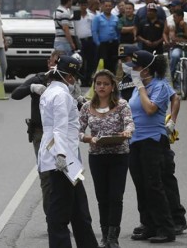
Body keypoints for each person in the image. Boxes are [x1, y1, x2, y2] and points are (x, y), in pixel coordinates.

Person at [37, 56, 99, 248]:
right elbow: (60, 128)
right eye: (75, 78)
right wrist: (62, 155)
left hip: (62, 155)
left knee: (79, 208)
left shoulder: (51, 91)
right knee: (60, 210)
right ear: (70, 78)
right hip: (63, 158)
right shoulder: (61, 95)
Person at [126, 50, 183, 243]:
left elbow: (150, 109)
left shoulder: (160, 86)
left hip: (153, 140)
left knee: (154, 184)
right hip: (135, 140)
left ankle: (166, 228)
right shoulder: (137, 87)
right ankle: (148, 224)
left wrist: (141, 88)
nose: (133, 70)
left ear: (147, 69)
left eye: (137, 67)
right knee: (140, 184)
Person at [79, 69, 134, 248]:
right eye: (99, 83)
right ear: (94, 85)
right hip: (97, 156)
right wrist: (88, 138)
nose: (101, 87)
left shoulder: (122, 104)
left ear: (112, 87)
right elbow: (76, 130)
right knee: (102, 197)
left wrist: (127, 132)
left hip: (119, 155)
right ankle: (104, 236)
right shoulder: (87, 107)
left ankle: (113, 237)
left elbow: (129, 123)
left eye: (106, 84)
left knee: (116, 196)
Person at [11, 50, 65, 216]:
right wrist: (31, 88)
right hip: (41, 135)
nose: (54, 66)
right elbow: (15, 94)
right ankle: (52, 219)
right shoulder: (39, 79)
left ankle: (66, 216)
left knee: (69, 177)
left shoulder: (67, 83)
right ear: (48, 63)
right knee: (46, 176)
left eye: (58, 63)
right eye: (53, 62)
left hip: (63, 136)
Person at [165, 9, 187, 91]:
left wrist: (185, 28)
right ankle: (172, 76)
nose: (173, 19)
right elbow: (173, 39)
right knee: (174, 56)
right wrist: (185, 40)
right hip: (177, 47)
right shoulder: (172, 25)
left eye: (175, 17)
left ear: (181, 17)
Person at [92, 0, 120, 74]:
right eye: (106, 6)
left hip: (114, 44)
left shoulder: (116, 18)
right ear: (103, 6)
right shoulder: (97, 18)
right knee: (104, 63)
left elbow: (118, 30)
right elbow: (94, 31)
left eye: (109, 6)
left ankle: (112, 80)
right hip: (103, 44)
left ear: (112, 7)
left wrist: (117, 40)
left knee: (113, 63)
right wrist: (98, 43)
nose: (108, 7)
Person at [74, 0, 97, 86]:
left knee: (91, 61)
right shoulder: (75, 15)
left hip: (90, 40)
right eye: (81, 5)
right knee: (81, 61)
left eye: (85, 5)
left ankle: (88, 79)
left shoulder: (91, 16)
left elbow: (94, 29)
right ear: (79, 5)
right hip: (80, 41)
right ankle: (82, 79)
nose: (83, 7)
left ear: (87, 5)